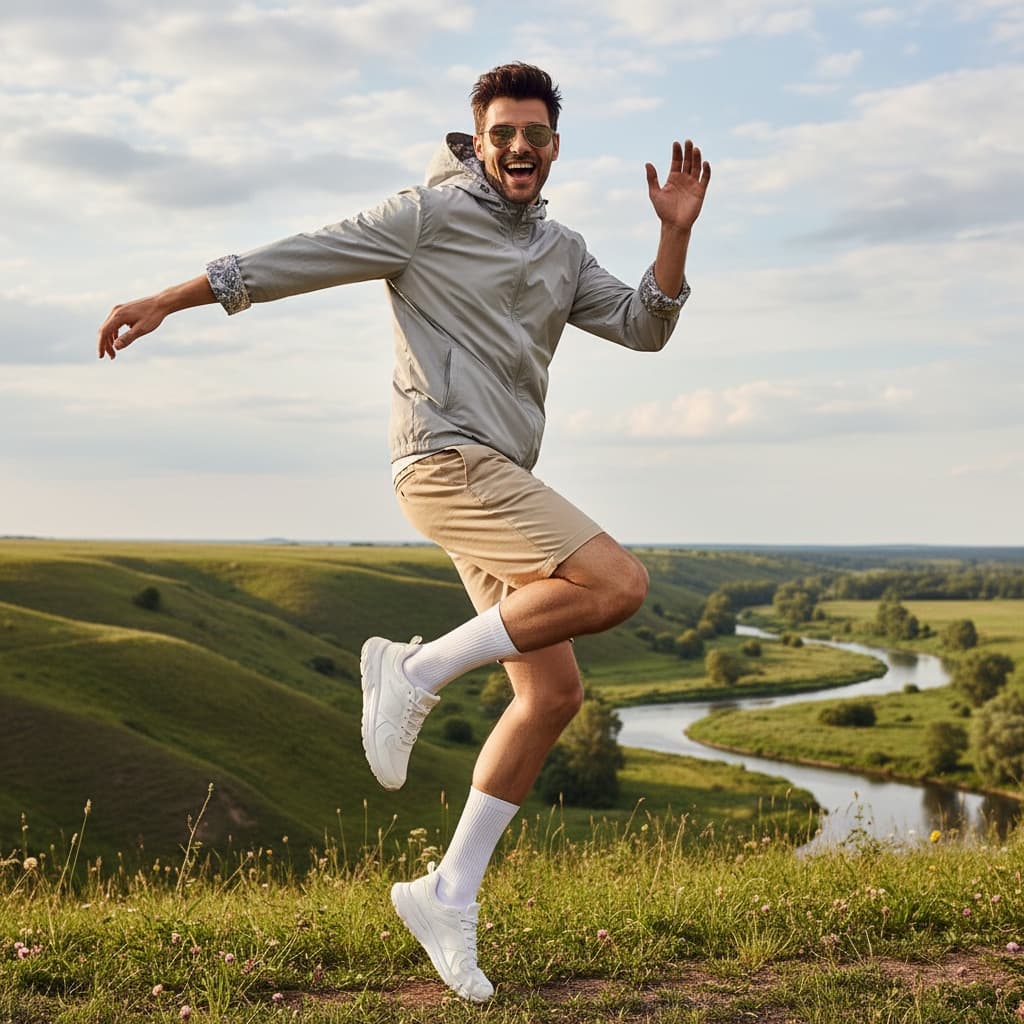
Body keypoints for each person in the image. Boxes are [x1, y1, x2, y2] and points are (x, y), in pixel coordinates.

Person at [97, 62, 710, 1002]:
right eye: (502, 131)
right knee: (616, 584)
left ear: (554, 147)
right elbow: (292, 257)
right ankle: (411, 670)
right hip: (442, 462)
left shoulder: (564, 250)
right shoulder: (424, 215)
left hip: (502, 482)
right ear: (479, 136)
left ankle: (445, 895)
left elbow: (644, 327)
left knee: (550, 697)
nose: (518, 148)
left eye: (535, 134)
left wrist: (672, 238)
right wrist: (165, 301)